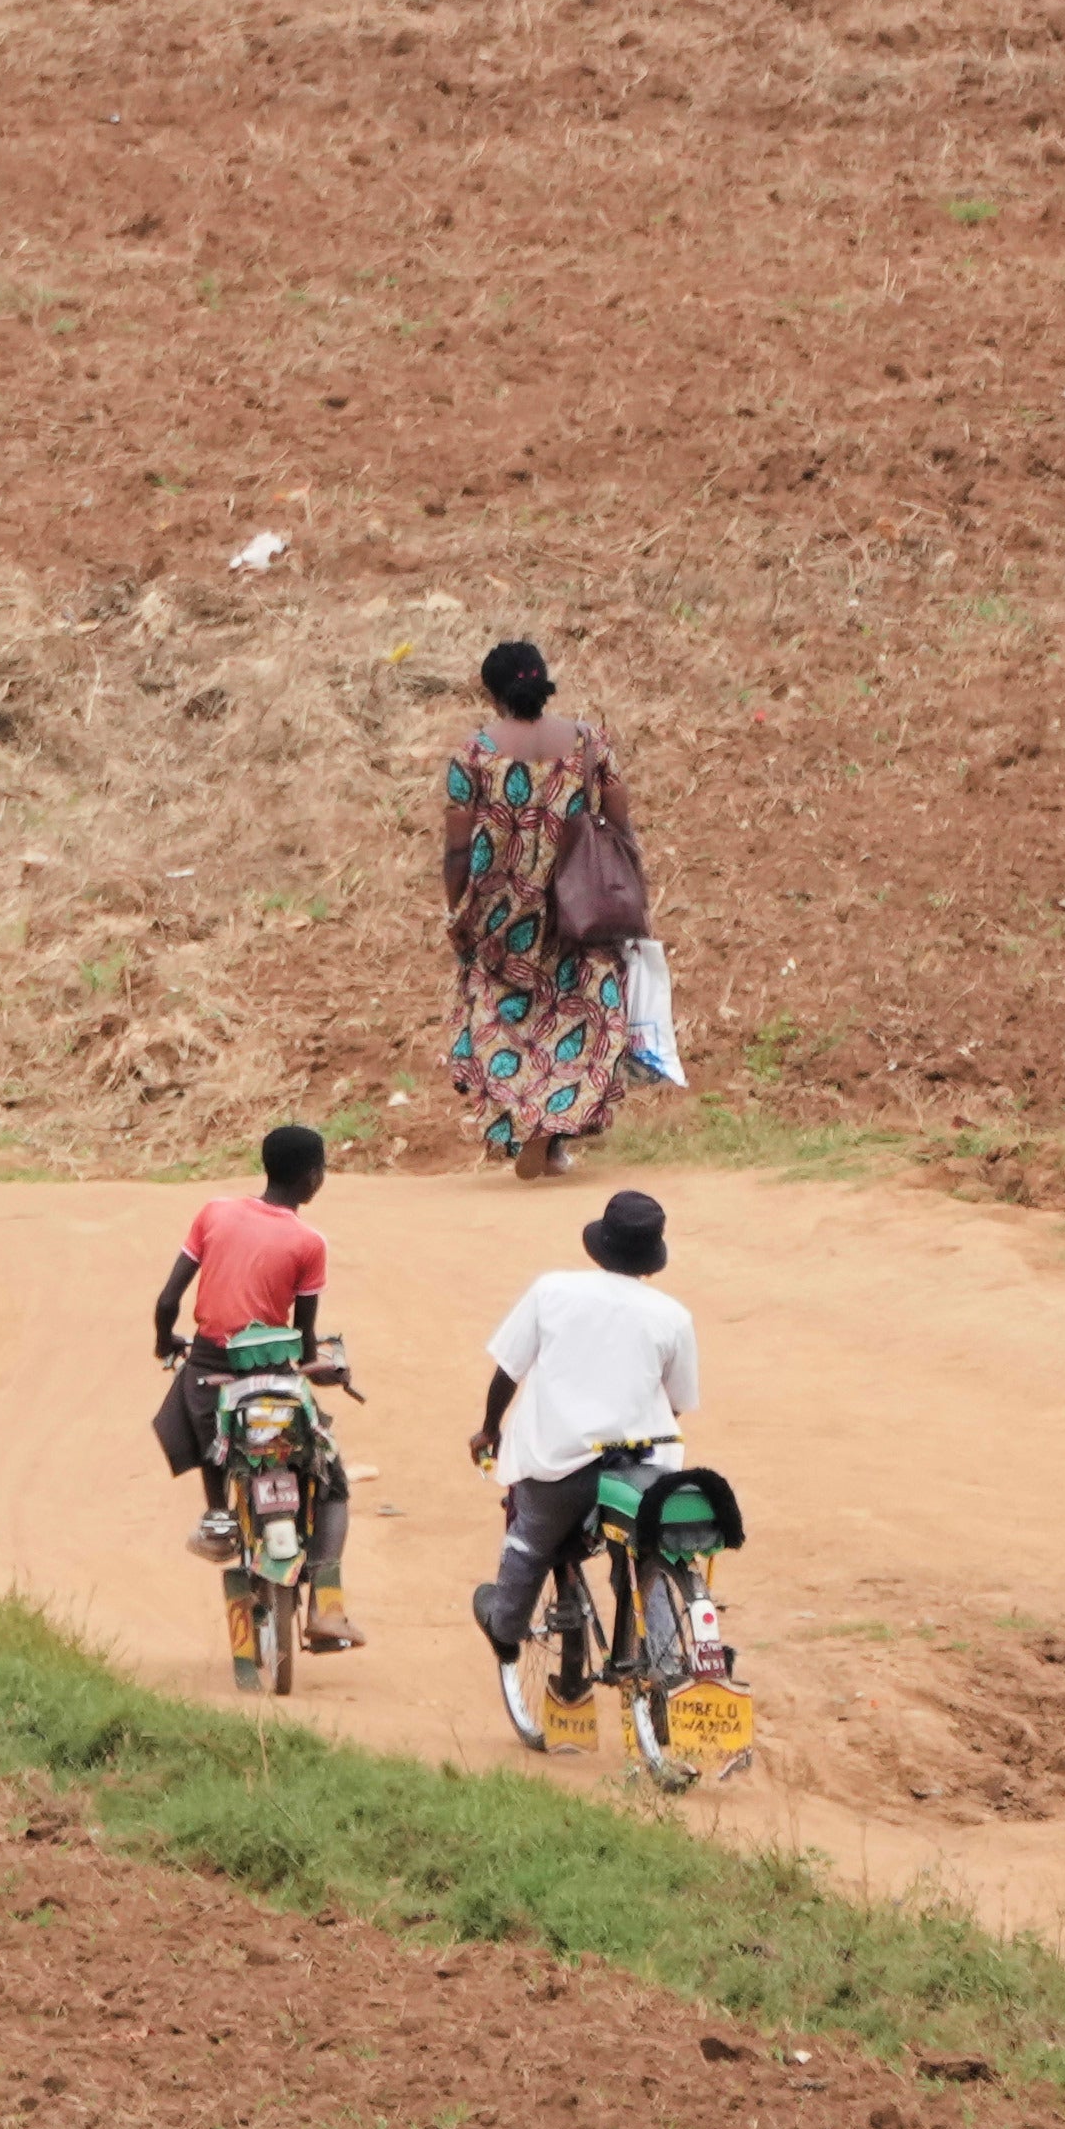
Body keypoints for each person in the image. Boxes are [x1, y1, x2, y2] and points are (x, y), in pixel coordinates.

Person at [468, 1184, 703, 1729]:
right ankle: (667, 1669)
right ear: (652, 1254)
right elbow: (678, 1402)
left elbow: (509, 1369)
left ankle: (505, 1629)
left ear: (602, 1244)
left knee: (531, 1540)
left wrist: (488, 1430)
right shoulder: (672, 1316)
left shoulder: (553, 1291)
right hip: (643, 1468)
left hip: (559, 1462)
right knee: (645, 1561)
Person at [439, 635, 649, 1177]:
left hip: (499, 912)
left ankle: (524, 1124)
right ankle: (553, 1139)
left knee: (503, 1016)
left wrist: (456, 906)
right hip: (575, 906)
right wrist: (632, 889)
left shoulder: (473, 754)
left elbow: (457, 846)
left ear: (493, 695)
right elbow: (620, 822)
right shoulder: (588, 742)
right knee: (578, 1013)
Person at [148, 1120, 357, 1633]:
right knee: (331, 1483)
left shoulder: (215, 1213)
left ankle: (219, 1515)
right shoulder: (309, 1242)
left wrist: (164, 1342)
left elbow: (168, 1301)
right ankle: (325, 1609)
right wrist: (324, 1369)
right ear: (314, 1177)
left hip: (210, 1367)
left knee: (206, 1426)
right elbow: (304, 1341)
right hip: (272, 1375)